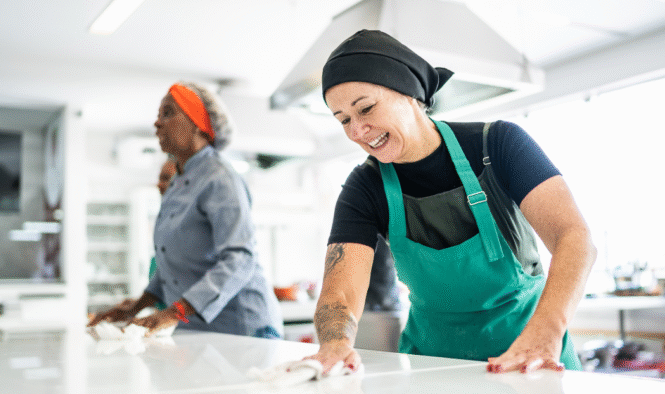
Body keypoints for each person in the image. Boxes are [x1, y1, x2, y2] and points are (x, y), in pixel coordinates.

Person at [307, 30, 596, 374]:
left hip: (530, 357)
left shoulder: (497, 145)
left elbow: (573, 237)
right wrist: (336, 343)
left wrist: (546, 332)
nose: (356, 131)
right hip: (433, 368)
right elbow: (339, 292)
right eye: (343, 120)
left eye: (365, 108)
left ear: (409, 93)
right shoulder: (366, 186)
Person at [88, 82, 283, 339]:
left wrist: (171, 313)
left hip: (242, 328)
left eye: (168, 113)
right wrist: (134, 307)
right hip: (199, 328)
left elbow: (239, 258)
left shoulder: (219, 178)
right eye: (158, 116)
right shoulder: (179, 182)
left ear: (198, 124)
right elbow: (171, 263)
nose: (157, 124)